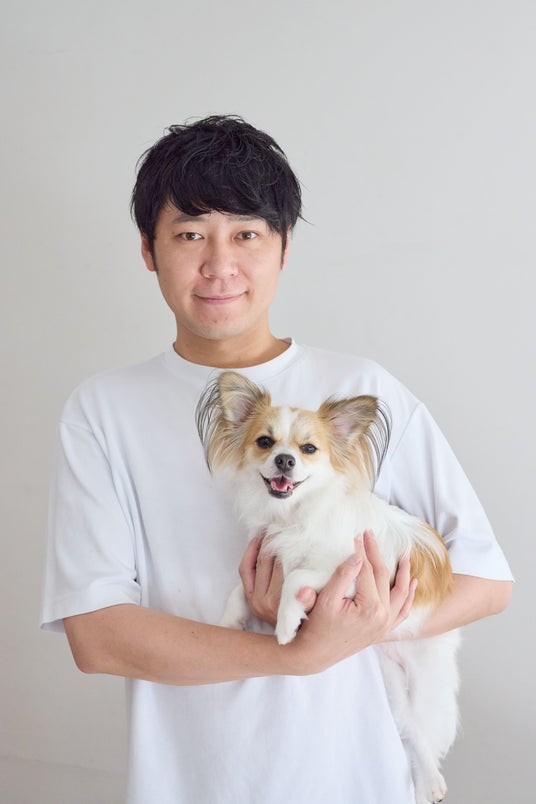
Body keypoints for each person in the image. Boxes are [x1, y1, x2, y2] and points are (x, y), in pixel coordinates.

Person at [41, 115, 513, 804]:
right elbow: (97, 636)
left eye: (247, 234)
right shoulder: (102, 410)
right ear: (148, 248)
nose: (219, 264)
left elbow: (486, 582)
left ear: (284, 246)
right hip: (190, 781)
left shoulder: (365, 391)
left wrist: (353, 623)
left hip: (359, 779)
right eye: (190, 234)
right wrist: (297, 653)